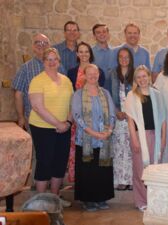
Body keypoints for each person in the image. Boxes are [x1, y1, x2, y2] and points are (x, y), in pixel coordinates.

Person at [12, 34, 66, 187]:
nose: (41, 45)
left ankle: (53, 194)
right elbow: (18, 93)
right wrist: (21, 117)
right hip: (36, 121)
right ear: (33, 46)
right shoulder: (26, 67)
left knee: (56, 157)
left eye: (45, 42)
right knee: (40, 157)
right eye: (38, 42)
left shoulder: (60, 68)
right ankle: (38, 192)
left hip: (58, 122)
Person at [28, 48, 73, 205]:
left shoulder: (66, 80)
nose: (52, 62)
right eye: (49, 59)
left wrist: (67, 122)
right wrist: (58, 124)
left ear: (59, 62)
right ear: (44, 61)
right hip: (42, 128)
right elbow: (37, 107)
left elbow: (71, 104)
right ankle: (40, 201)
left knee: (60, 162)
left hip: (64, 128)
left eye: (55, 59)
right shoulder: (37, 81)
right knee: (44, 162)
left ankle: (55, 199)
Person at [71, 64, 115, 212]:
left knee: (102, 170)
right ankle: (88, 200)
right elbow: (77, 117)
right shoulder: (78, 94)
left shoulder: (106, 93)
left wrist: (109, 130)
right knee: (88, 170)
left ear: (98, 75)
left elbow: (112, 114)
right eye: (89, 73)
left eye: (95, 73)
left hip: (104, 139)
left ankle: (101, 197)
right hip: (86, 140)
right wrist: (94, 133)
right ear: (84, 75)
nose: (93, 76)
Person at [125, 65, 166, 212]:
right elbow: (130, 120)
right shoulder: (132, 96)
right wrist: (134, 139)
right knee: (140, 171)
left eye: (144, 76)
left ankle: (154, 199)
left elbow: (163, 120)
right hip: (140, 137)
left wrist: (162, 139)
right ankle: (141, 201)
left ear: (149, 77)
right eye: (139, 77)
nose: (142, 79)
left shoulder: (157, 94)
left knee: (154, 170)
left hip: (155, 137)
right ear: (136, 79)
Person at [66, 41, 106, 183]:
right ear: (77, 54)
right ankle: (77, 180)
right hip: (78, 117)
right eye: (81, 51)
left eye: (86, 51)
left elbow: (102, 95)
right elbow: (70, 95)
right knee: (76, 149)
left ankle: (92, 181)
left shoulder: (98, 71)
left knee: (93, 150)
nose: (84, 54)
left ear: (90, 54)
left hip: (95, 118)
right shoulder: (71, 72)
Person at [107, 47, 134, 191]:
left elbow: (141, 95)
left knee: (131, 149)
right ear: (117, 59)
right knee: (119, 149)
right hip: (117, 117)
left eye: (126, 57)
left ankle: (131, 180)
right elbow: (108, 95)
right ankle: (121, 180)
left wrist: (131, 113)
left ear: (130, 59)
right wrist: (116, 111)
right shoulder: (112, 74)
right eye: (121, 57)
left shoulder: (136, 74)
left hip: (133, 117)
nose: (124, 59)